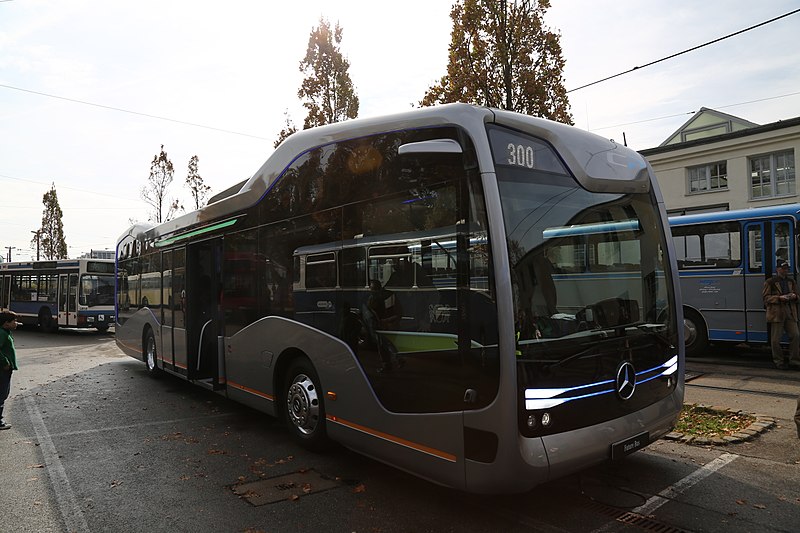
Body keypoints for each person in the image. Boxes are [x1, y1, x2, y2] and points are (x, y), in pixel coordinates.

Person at [762, 259, 800, 370]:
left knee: (796, 335)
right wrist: (779, 298)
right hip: (777, 313)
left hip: (790, 311)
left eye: (786, 269)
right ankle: (779, 361)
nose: (785, 271)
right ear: (777, 269)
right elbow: (765, 298)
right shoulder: (770, 282)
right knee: (775, 340)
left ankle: (794, 361)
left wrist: (795, 297)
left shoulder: (791, 281)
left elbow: (798, 296)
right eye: (783, 269)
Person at [0, 311, 20, 430]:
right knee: (2, 393)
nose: (16, 323)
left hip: (6, 369)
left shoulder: (6, 332)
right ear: (6, 323)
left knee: (4, 392)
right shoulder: (2, 333)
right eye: (14, 321)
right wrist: (5, 362)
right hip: (3, 369)